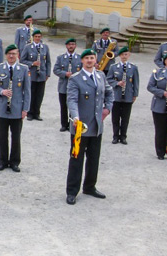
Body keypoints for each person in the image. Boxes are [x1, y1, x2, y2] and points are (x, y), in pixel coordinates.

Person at [65, 49, 114, 204]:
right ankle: (72, 191)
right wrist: (75, 116)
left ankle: (90, 186)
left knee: (94, 158)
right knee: (76, 159)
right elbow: (71, 100)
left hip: (96, 126)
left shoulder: (100, 75)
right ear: (82, 61)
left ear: (96, 60)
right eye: (86, 58)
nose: (89, 61)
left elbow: (109, 92)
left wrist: (107, 109)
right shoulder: (75, 79)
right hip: (81, 126)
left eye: (92, 58)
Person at [0, 44, 31, 172]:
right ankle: (2, 161)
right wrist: (1, 91)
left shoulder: (24, 69)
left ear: (18, 55)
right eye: (9, 54)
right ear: (6, 55)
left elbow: (27, 91)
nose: (12, 56)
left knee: (16, 137)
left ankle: (14, 162)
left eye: (14, 54)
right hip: (3, 108)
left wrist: (25, 109)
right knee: (2, 137)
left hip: (17, 108)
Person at [106, 46, 139, 145]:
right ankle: (115, 136)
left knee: (125, 118)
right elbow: (108, 79)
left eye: (126, 54)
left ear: (129, 55)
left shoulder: (133, 67)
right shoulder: (113, 67)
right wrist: (117, 83)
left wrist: (135, 94)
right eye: (122, 55)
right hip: (116, 95)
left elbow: (136, 82)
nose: (124, 56)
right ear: (119, 56)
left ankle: (123, 136)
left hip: (128, 95)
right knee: (115, 117)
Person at [53, 38, 83, 131]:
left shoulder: (80, 58)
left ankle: (71, 124)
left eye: (73, 44)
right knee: (63, 106)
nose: (71, 46)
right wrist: (65, 74)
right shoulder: (61, 58)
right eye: (69, 44)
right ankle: (64, 124)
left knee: (73, 106)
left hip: (75, 87)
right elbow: (56, 70)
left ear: (75, 46)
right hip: (63, 86)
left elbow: (83, 71)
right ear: (66, 46)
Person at [21, 29, 51, 120]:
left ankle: (37, 113)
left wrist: (47, 73)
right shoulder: (28, 47)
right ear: (33, 37)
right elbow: (22, 60)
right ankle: (30, 113)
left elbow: (48, 62)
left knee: (39, 95)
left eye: (39, 36)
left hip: (41, 74)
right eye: (36, 37)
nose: (37, 38)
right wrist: (32, 64)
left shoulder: (45, 47)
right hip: (32, 74)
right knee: (31, 93)